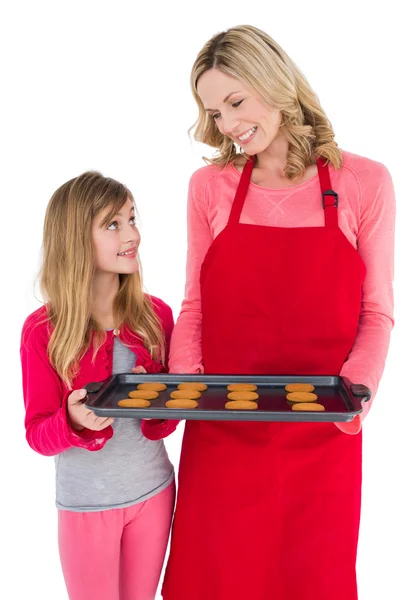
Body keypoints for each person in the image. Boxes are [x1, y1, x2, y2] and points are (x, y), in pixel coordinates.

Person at [156, 25, 395, 600]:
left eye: (236, 102)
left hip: (323, 433)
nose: (227, 124)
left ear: (277, 84)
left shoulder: (365, 183)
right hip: (223, 432)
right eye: (213, 111)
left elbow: (378, 310)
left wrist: (355, 395)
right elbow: (195, 306)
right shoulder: (209, 186)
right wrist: (187, 391)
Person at [20, 172, 175, 600]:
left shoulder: (156, 316)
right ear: (75, 239)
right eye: (113, 224)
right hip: (86, 506)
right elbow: (37, 434)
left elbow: (164, 423)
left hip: (155, 492)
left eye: (132, 218)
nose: (133, 234)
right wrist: (70, 419)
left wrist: (158, 402)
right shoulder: (42, 331)